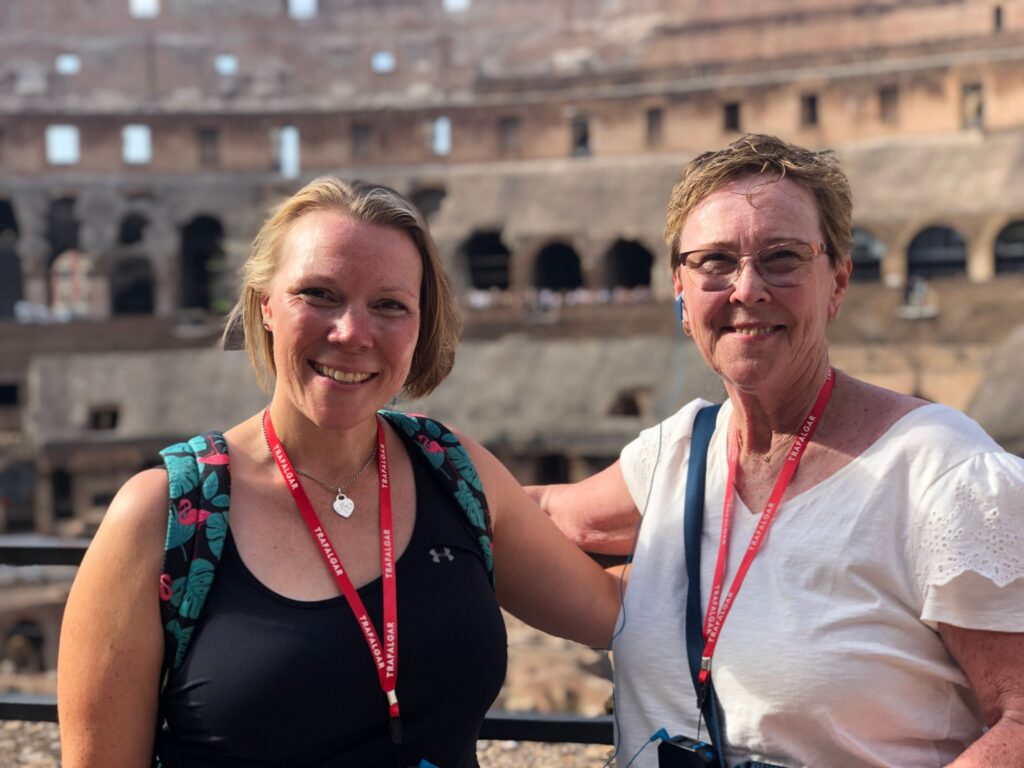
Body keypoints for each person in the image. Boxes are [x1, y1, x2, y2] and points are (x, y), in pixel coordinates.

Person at [57, 178, 621, 768]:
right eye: (319, 294)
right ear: (265, 304)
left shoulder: (454, 473)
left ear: (421, 323)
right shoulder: (163, 516)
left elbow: (612, 608)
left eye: (389, 305)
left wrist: (698, 466)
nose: (352, 333)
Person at [530, 135, 1024, 767]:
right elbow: (544, 517)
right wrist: (395, 455)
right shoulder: (676, 453)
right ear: (681, 293)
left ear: (837, 282)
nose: (747, 289)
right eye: (714, 262)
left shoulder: (946, 476)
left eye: (782, 258)